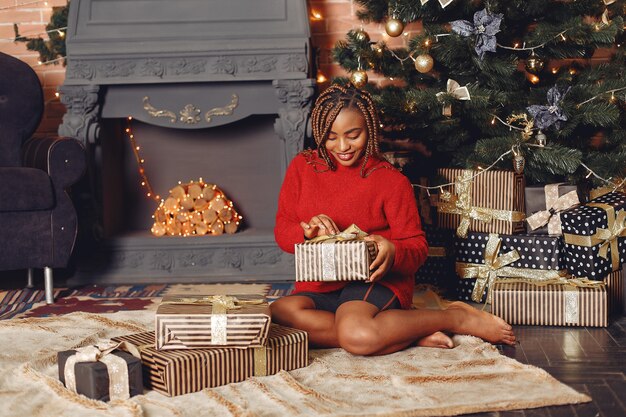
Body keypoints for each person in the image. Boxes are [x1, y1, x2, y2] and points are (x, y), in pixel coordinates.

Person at [271, 84, 515, 356]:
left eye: (353, 135)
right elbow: (282, 231)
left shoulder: (390, 180)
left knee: (355, 335)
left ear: (370, 128)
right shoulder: (302, 168)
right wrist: (306, 233)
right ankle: (403, 332)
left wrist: (392, 248)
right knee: (279, 313)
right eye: (331, 137)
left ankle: (456, 318)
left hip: (374, 283)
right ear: (318, 132)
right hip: (322, 284)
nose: (342, 147)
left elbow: (417, 247)